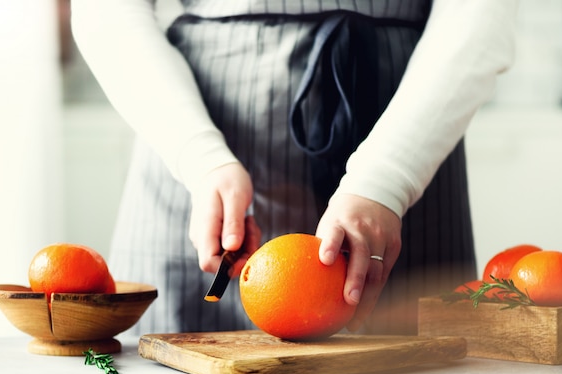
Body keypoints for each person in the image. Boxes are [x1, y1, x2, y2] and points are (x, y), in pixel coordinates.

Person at [71, 0, 519, 336]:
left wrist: (387, 180)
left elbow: (480, 13)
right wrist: (199, 157)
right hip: (192, 135)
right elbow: (107, 11)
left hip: (412, 127)